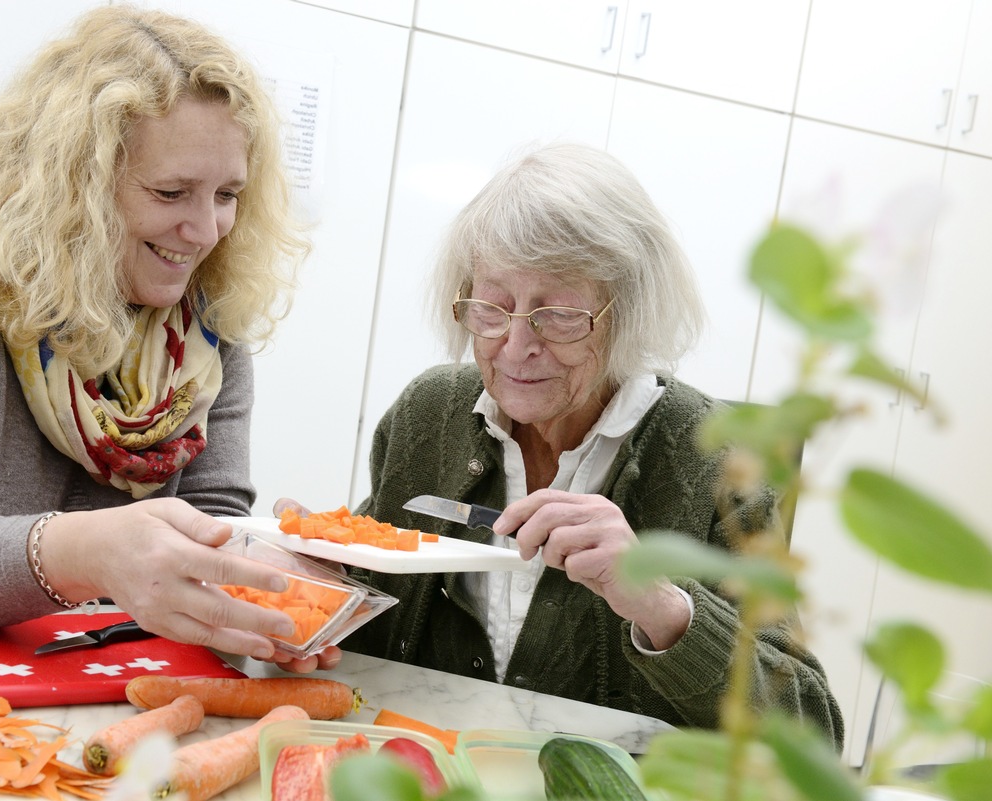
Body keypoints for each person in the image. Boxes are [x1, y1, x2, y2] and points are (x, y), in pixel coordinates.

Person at [0, 5, 337, 669]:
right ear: (68, 183)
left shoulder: (201, 341)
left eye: (227, 194)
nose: (206, 229)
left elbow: (211, 520)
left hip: (73, 676)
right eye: (171, 192)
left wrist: (273, 582)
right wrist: (89, 555)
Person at [328, 142, 844, 749]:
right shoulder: (429, 415)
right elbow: (366, 630)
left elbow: (813, 736)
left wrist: (662, 606)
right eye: (492, 307)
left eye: (559, 315)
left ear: (628, 314)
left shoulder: (722, 465)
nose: (516, 346)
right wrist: (312, 585)